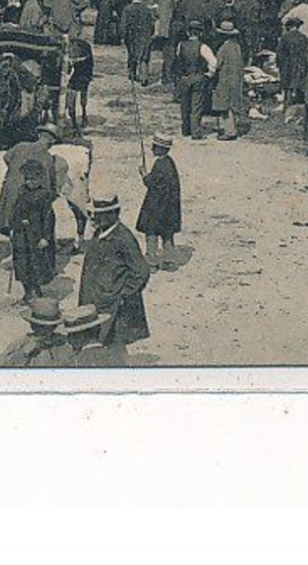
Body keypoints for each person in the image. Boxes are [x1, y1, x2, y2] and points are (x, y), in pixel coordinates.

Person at [77, 193, 151, 363]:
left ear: (114, 214)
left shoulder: (123, 238)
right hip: (96, 299)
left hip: (113, 305)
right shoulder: (100, 233)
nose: (95, 218)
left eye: (100, 215)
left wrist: (121, 294)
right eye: (93, 214)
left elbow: (141, 272)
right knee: (99, 341)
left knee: (114, 342)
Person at [0, 123, 59, 263]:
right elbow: (50, 185)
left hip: (11, 193)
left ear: (39, 136)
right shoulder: (48, 159)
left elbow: (6, 158)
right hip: (28, 199)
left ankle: (13, 252)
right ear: (52, 141)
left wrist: (14, 174)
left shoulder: (20, 146)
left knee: (10, 222)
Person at [10, 158, 59, 303]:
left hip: (36, 236)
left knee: (36, 264)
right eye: (27, 179)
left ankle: (37, 294)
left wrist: (45, 237)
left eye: (33, 179)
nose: (30, 182)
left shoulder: (44, 195)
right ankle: (27, 293)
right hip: (21, 235)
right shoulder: (21, 193)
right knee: (22, 264)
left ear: (40, 178)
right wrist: (13, 227)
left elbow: (49, 218)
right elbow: (15, 212)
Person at [136, 132, 182, 271]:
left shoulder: (160, 165)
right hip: (169, 207)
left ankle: (151, 262)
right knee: (167, 235)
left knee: (151, 234)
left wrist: (144, 174)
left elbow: (151, 183)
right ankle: (169, 261)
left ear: (161, 149)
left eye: (154, 147)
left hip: (156, 207)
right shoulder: (170, 163)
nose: (151, 149)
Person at [0, 297, 70, 368]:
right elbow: (2, 366)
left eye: (48, 327)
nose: (43, 331)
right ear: (32, 325)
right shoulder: (23, 342)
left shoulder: (61, 343)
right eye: (39, 327)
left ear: (54, 326)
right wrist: (24, 352)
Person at [174, 22, 217, 140]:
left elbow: (178, 59)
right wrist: (210, 74)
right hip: (198, 76)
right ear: (201, 33)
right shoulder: (203, 47)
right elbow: (213, 62)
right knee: (196, 105)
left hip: (184, 77)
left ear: (188, 32)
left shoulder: (181, 45)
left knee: (184, 104)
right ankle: (196, 131)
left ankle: (185, 129)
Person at [212, 20, 246, 141]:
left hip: (225, 79)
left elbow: (217, 64)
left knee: (225, 106)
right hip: (236, 78)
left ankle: (229, 131)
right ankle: (231, 128)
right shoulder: (237, 46)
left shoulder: (223, 48)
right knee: (233, 103)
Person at [119, 0, 157, 84]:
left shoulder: (128, 9)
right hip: (145, 35)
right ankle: (144, 77)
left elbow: (123, 24)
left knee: (132, 54)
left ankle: (132, 74)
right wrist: (151, 32)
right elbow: (152, 23)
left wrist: (122, 36)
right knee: (144, 57)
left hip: (132, 35)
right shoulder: (147, 9)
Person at [64, 35, 95, 133]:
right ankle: (76, 118)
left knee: (76, 93)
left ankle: (79, 117)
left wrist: (72, 61)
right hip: (78, 74)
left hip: (82, 74)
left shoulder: (83, 46)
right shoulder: (73, 46)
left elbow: (86, 61)